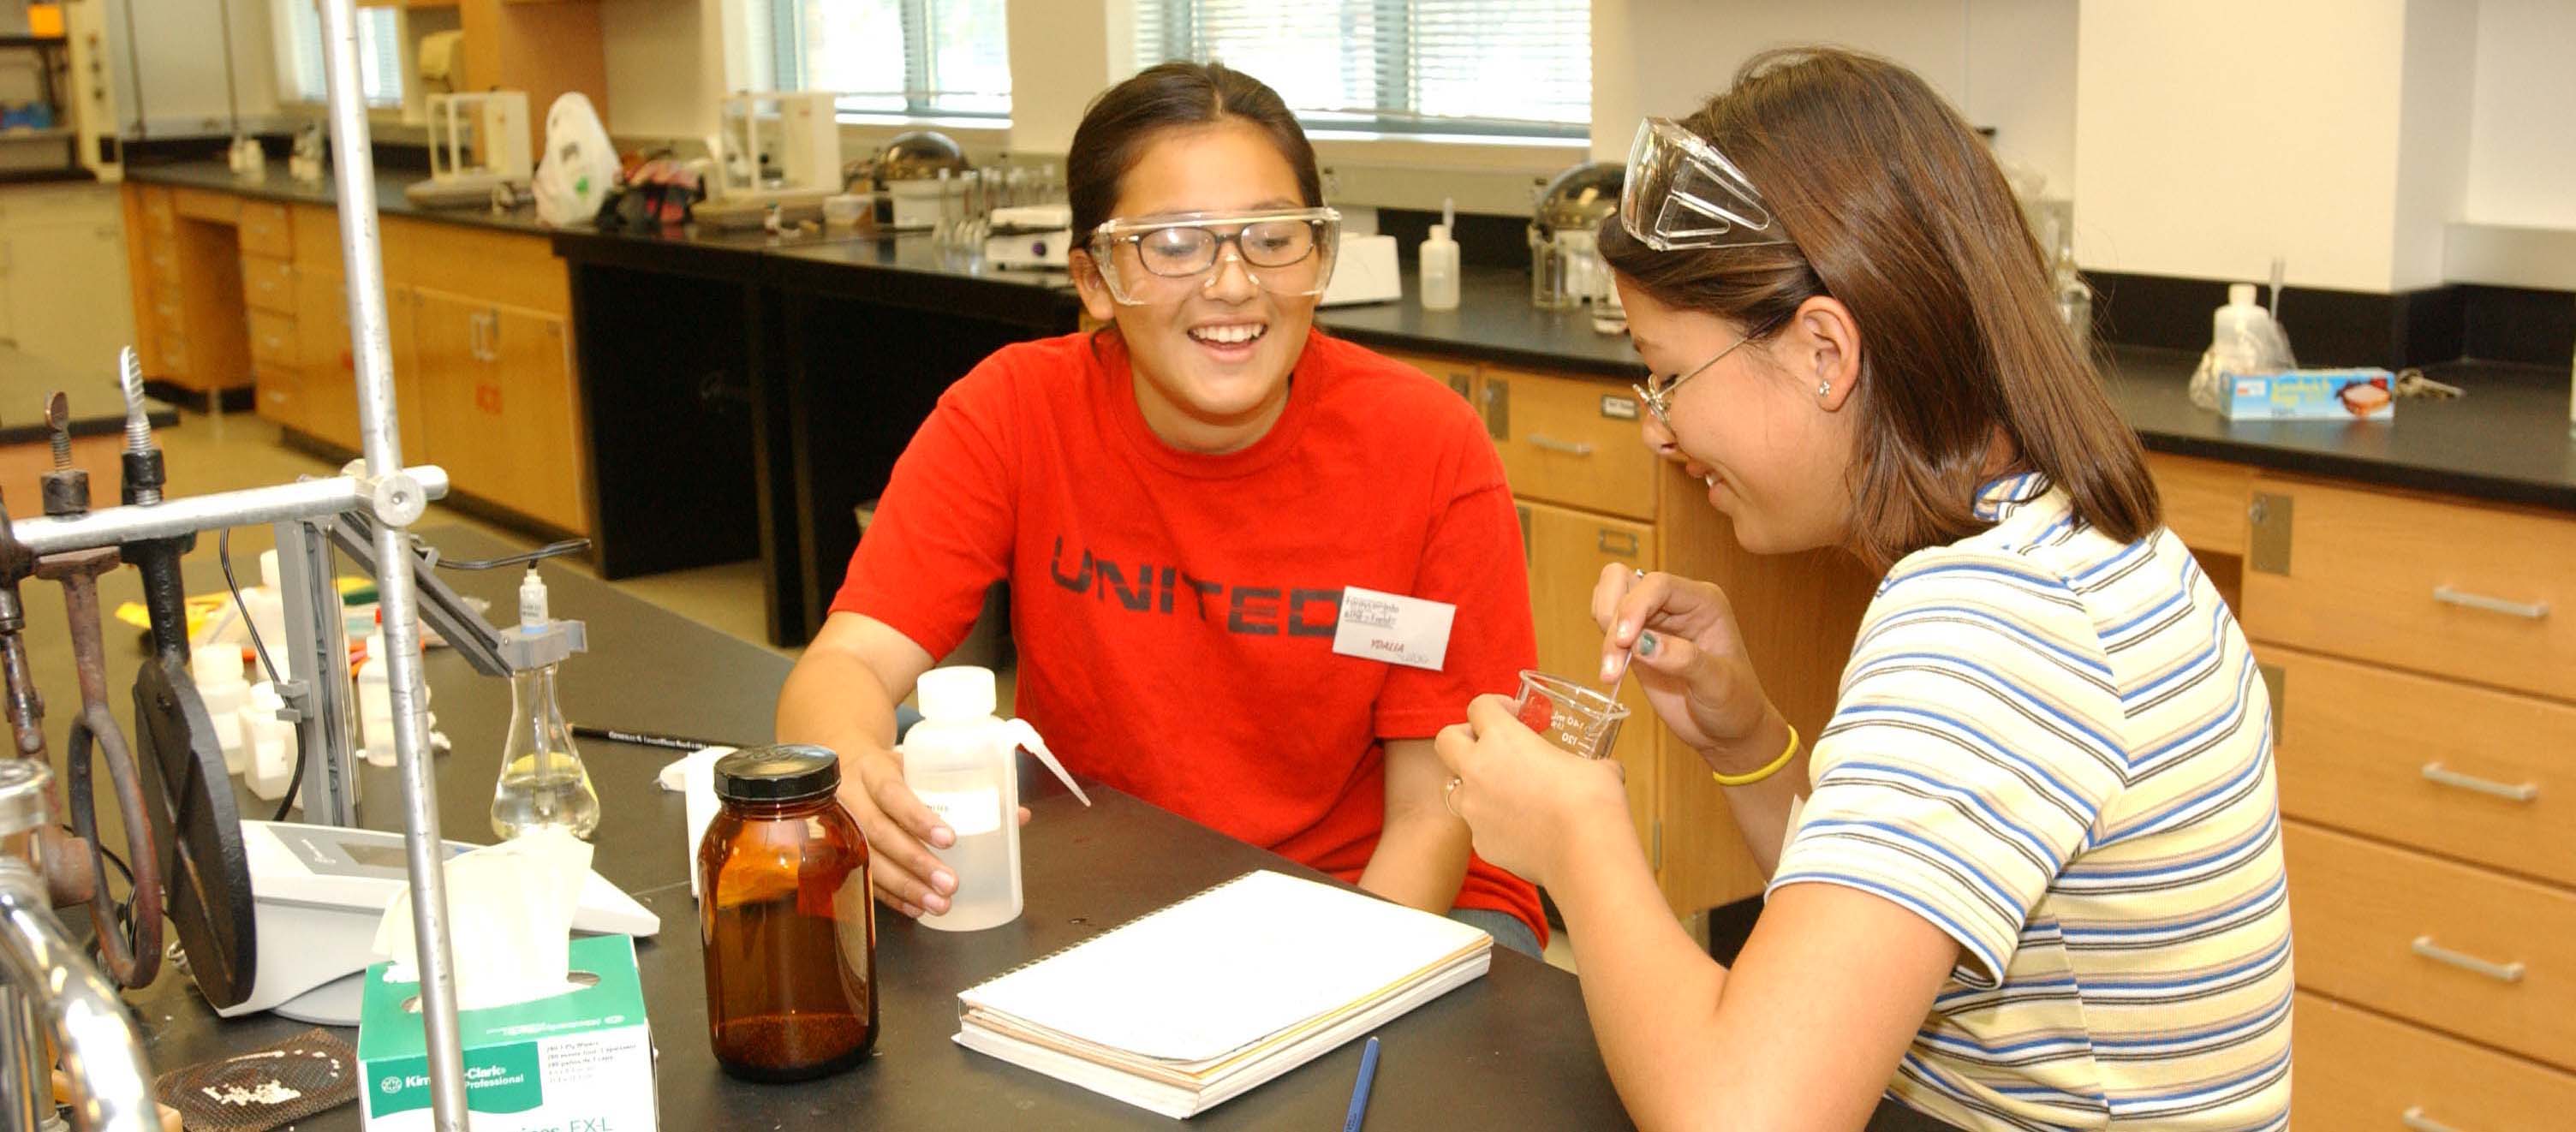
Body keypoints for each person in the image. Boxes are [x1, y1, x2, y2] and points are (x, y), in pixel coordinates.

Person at [1433, 49, 2293, 1131]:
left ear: (1823, 349)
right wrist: (1745, 741)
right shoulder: (2069, 539)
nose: (1658, 427)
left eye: (1666, 374)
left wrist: (1578, 836)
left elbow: (1744, 1115)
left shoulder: (1986, 626)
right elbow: (1863, 956)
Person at [776, 62, 1546, 956]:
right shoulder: (1016, 411)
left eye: (1271, 237)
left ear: (1320, 258)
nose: (1230, 283)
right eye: (1173, 243)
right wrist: (858, 775)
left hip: (1375, 890)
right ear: (1096, 279)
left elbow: (1430, 815)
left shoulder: (1424, 447)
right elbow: (841, 668)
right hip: (1113, 875)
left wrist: (1318, 1004)